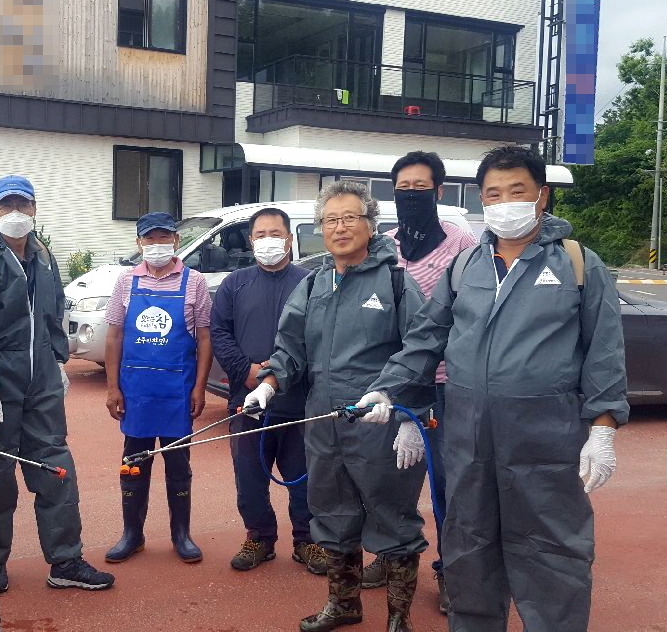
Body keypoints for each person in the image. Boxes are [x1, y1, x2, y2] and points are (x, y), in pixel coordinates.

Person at [361, 146, 628, 632]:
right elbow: (425, 338)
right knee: (469, 551)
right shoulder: (465, 267)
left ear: (541, 197)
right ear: (482, 200)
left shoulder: (578, 264)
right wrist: (388, 390)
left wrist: (604, 428)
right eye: (493, 194)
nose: (505, 202)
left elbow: (604, 353)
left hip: (543, 445)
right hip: (468, 443)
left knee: (552, 555)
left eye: (517, 191)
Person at [244, 181, 433, 632]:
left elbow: (423, 348)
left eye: (350, 217)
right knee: (332, 514)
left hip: (381, 424)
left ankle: (398, 619)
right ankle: (344, 604)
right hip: (323, 423)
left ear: (370, 224)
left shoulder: (396, 281)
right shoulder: (313, 284)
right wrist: (269, 384)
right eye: (331, 219)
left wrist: (406, 408)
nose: (340, 227)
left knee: (393, 517)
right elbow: (290, 349)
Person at [0, 175, 114, 595]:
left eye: (23, 205)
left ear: (35, 210)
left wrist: (58, 360)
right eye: (7, 206)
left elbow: (53, 312)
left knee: (56, 467)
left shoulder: (43, 258)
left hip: (40, 379)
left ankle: (65, 559)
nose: (16, 214)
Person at [361, 151, 476, 614]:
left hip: (447, 386)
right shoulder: (385, 245)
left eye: (420, 188)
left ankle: (452, 572)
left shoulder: (462, 243)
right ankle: (394, 557)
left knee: (450, 484)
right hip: (396, 382)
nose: (410, 196)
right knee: (390, 481)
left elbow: (466, 317)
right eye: (402, 188)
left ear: (439, 192)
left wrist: (426, 396)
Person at [210, 207, 326, 575]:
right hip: (248, 402)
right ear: (251, 240)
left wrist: (278, 375)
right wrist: (246, 371)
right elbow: (219, 332)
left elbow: (317, 338)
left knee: (302, 475)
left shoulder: (311, 281)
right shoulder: (234, 284)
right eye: (260, 235)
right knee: (249, 476)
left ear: (290, 239)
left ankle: (308, 540)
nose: (268, 241)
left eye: (275, 233)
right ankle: (259, 537)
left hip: (298, 401)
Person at [104, 211, 213, 563]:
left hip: (176, 391)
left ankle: (181, 534)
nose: (156, 244)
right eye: (149, 238)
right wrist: (112, 387)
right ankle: (131, 534)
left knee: (178, 465)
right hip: (135, 391)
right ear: (139, 243)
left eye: (163, 237)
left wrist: (199, 387)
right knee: (133, 462)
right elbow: (115, 336)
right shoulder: (126, 282)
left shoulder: (194, 281)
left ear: (176, 240)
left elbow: (205, 339)